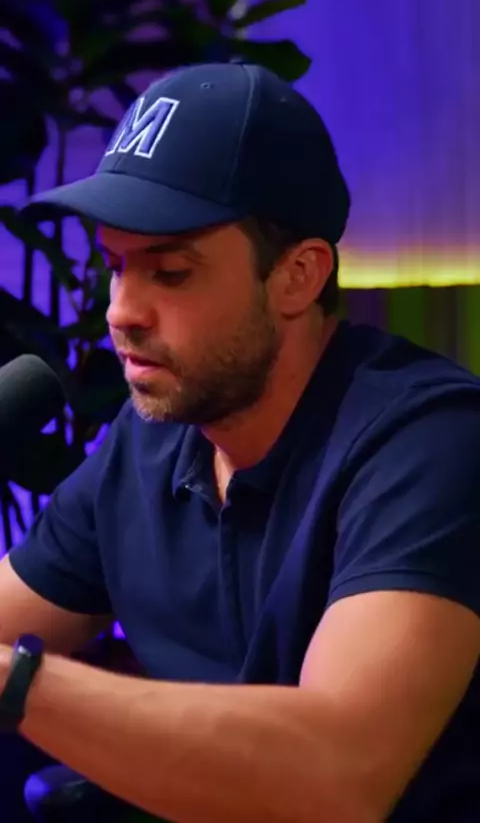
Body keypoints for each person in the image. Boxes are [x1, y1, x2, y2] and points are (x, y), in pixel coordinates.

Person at [0, 62, 479, 823]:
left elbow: (337, 773)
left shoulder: (428, 443)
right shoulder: (147, 442)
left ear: (297, 277)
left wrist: (19, 686)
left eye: (170, 273)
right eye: (116, 266)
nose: (121, 311)